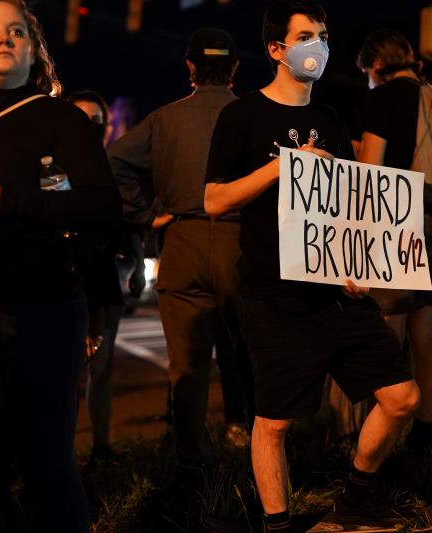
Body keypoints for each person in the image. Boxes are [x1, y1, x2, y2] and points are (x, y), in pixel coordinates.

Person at [204, 2, 420, 530]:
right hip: (274, 297)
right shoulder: (241, 116)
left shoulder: (329, 120)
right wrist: (282, 167)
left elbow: (345, 208)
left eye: (322, 35)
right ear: (276, 49)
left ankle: (356, 496)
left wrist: (358, 267)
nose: (318, 46)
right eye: (305, 36)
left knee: (401, 397)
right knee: (274, 422)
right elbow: (214, 200)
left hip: (335, 296)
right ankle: (278, 523)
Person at [0, 1, 121, 531]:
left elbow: (102, 206)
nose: (4, 38)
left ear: (34, 51)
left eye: (17, 31)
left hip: (46, 306)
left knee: (47, 465)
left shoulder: (61, 119)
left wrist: (7, 201)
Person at [108, 27, 253, 466]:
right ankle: (256, 452)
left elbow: (115, 161)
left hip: (183, 241)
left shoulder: (164, 119)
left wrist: (145, 214)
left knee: (187, 366)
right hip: (241, 243)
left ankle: (191, 462)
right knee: (250, 353)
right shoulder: (254, 115)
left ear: (190, 66)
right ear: (235, 67)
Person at [355, 29, 432, 453]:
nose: (368, 79)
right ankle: (423, 434)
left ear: (377, 65)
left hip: (399, 223)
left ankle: (379, 435)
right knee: (426, 333)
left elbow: (370, 170)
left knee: (389, 334)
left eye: (366, 71)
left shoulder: (382, 99)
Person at [67, 90, 125, 466]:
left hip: (104, 282)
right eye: (81, 120)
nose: (90, 128)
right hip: (66, 283)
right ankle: (60, 456)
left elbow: (122, 225)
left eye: (97, 121)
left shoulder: (112, 169)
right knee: (66, 376)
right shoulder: (54, 170)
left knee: (101, 371)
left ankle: (101, 449)